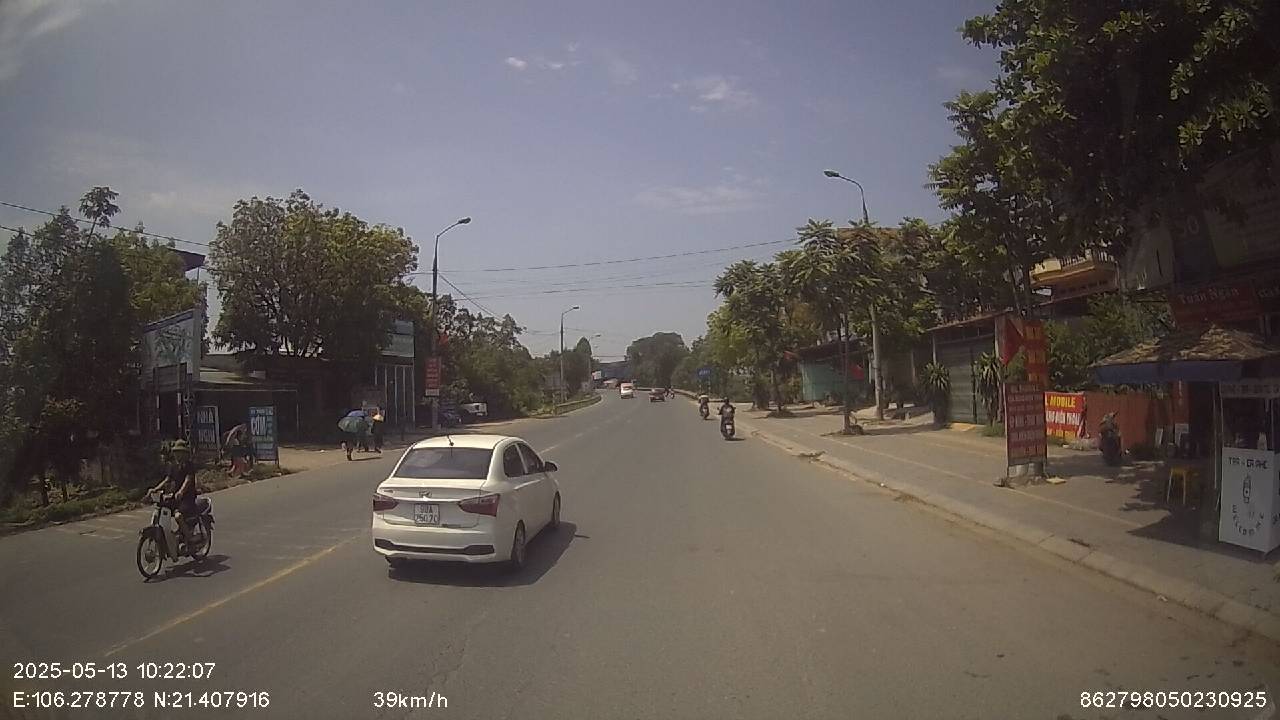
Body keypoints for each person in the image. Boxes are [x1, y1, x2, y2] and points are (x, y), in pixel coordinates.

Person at [148, 438, 199, 545]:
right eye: (176, 452)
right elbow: (167, 480)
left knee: (178, 516)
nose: (177, 454)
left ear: (185, 453)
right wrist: (155, 489)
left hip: (187, 498)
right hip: (175, 497)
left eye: (180, 452)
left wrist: (181, 491)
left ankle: (190, 537)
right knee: (161, 510)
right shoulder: (173, 466)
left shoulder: (189, 465)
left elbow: (188, 479)